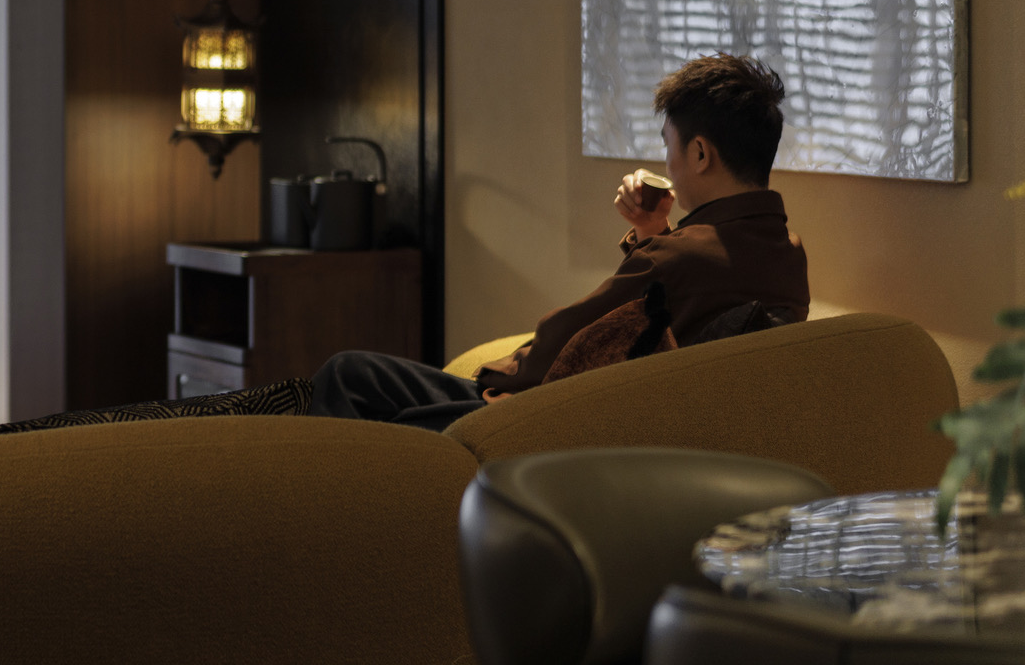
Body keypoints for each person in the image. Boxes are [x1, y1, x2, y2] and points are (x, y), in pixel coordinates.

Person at [307, 53, 809, 430]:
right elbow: (675, 319)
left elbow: (566, 338)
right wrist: (653, 231)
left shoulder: (675, 258)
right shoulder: (788, 252)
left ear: (700, 153)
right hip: (650, 425)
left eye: (669, 146)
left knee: (349, 373)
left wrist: (494, 375)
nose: (668, 164)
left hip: (545, 428)